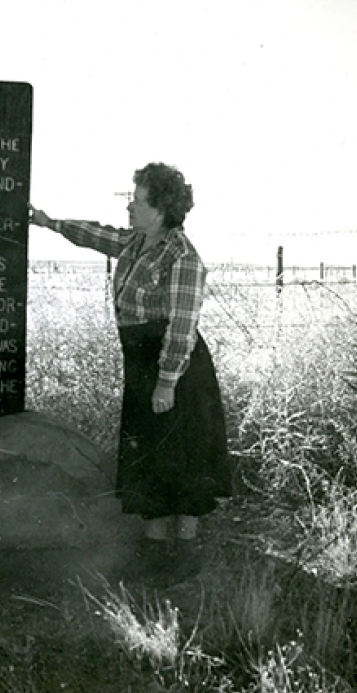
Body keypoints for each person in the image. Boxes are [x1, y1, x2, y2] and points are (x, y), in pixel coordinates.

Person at [29, 162, 230, 584]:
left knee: (181, 457)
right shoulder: (138, 243)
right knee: (152, 456)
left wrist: (167, 382)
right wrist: (49, 223)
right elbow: (97, 235)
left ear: (161, 209)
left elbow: (182, 326)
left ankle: (184, 556)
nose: (129, 209)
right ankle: (156, 552)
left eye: (137, 202)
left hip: (176, 369)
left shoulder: (182, 257)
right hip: (142, 364)